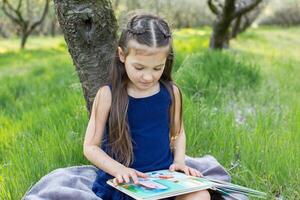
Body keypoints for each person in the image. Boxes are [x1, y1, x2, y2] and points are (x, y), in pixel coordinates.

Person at [83, 13, 211, 200]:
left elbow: (177, 133)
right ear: (122, 55)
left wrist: (179, 162)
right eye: (139, 68)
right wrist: (120, 170)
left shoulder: (171, 92)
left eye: (157, 68)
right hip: (125, 184)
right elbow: (90, 147)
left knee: (201, 196)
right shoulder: (108, 95)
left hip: (164, 181)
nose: (148, 77)